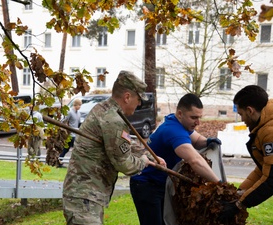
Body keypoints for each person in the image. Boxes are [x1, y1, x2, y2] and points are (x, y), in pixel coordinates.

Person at [62, 70, 166, 225]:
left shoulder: (104, 110)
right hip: (84, 196)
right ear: (127, 97)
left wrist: (151, 157)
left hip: (86, 195)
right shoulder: (113, 120)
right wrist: (144, 161)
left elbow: (124, 145)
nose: (139, 104)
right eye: (138, 99)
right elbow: (124, 164)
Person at [130, 93, 221, 225]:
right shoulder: (173, 131)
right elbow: (194, 160)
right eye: (194, 117)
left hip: (159, 184)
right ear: (180, 113)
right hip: (146, 185)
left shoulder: (178, 122)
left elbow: (196, 140)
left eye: (199, 117)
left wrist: (208, 142)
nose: (198, 122)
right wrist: (219, 183)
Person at [218, 85, 273, 222]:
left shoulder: (269, 132)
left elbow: (271, 178)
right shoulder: (264, 122)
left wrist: (239, 204)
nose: (241, 119)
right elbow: (263, 168)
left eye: (241, 114)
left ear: (250, 111)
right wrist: (239, 193)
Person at [58, 98, 82, 167]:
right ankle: (75, 164)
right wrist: (66, 129)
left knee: (66, 149)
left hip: (76, 133)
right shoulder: (70, 112)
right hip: (70, 134)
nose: (80, 107)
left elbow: (79, 123)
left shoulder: (79, 113)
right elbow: (63, 120)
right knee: (76, 148)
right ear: (75, 105)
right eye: (79, 105)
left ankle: (59, 160)